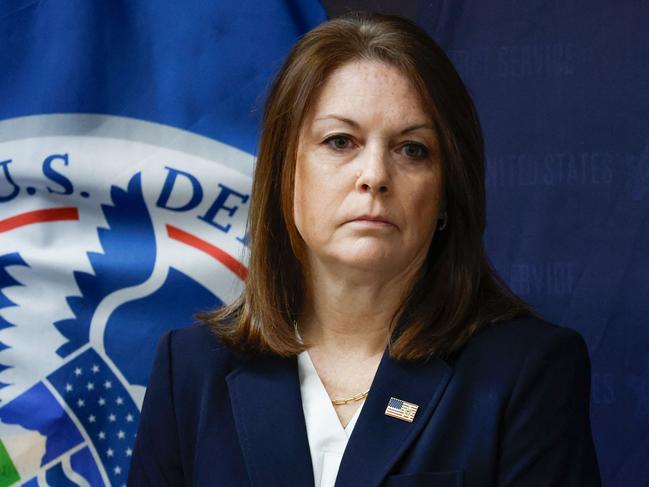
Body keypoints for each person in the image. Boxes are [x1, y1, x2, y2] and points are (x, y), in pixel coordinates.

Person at [128, 11, 601, 487]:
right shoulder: (190, 370)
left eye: (412, 149)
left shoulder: (528, 371)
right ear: (285, 174)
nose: (374, 175)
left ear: (445, 193)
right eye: (341, 141)